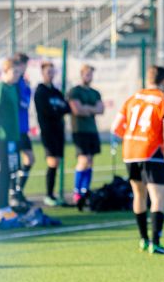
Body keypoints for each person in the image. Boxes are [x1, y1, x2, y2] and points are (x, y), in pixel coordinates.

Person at [112, 65, 164, 255]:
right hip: (151, 152)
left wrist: (132, 136)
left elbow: (116, 128)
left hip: (130, 151)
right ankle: (155, 242)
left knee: (139, 195)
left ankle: (143, 239)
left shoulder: (132, 99)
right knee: (158, 198)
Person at [0, 57, 22, 217]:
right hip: (2, 137)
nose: (17, 75)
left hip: (12, 136)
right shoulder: (0, 87)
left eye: (18, 72)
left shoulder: (12, 88)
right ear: (5, 72)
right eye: (14, 72)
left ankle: (6, 206)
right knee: (2, 172)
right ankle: (0, 207)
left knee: (9, 172)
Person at [34, 61, 70, 206]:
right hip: (48, 132)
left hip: (59, 131)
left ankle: (53, 194)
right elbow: (46, 111)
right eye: (48, 72)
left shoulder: (56, 92)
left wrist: (58, 109)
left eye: (52, 72)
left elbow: (66, 108)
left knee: (57, 162)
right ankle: (48, 195)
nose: (51, 74)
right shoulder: (40, 91)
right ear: (43, 74)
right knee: (52, 162)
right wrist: (57, 109)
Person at [68, 64, 104, 208]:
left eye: (91, 74)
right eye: (87, 74)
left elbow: (101, 109)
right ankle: (77, 192)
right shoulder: (75, 91)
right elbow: (77, 110)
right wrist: (91, 109)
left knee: (91, 161)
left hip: (92, 130)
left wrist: (87, 108)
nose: (89, 77)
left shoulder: (95, 92)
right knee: (83, 160)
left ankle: (85, 190)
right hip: (80, 130)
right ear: (81, 74)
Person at [13, 53, 34, 205]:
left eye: (25, 64)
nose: (24, 67)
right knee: (14, 163)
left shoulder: (23, 82)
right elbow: (22, 103)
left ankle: (19, 190)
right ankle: (14, 193)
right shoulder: (14, 83)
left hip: (23, 129)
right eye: (21, 64)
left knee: (30, 159)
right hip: (14, 129)